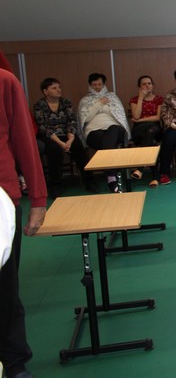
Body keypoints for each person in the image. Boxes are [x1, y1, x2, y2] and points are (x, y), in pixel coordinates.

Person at [0, 51, 47, 378]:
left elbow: (24, 141)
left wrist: (38, 198)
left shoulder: (5, 82)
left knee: (4, 290)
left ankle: (14, 362)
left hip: (1, 201)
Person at [33, 77, 93, 197]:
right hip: (50, 136)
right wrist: (61, 143)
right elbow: (43, 127)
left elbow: (71, 121)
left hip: (67, 134)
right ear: (45, 91)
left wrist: (70, 140)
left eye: (59, 87)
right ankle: (55, 185)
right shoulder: (39, 105)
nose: (58, 90)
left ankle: (90, 181)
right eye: (54, 88)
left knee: (78, 147)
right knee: (54, 150)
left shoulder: (66, 102)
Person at [77, 72, 131, 192]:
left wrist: (99, 109)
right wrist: (100, 104)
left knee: (112, 129)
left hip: (115, 129)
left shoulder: (112, 97)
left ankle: (110, 176)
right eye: (94, 84)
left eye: (99, 84)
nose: (97, 87)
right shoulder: (85, 100)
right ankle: (112, 175)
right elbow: (86, 118)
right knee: (106, 141)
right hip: (94, 132)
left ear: (104, 84)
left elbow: (117, 114)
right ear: (90, 85)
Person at [129, 75, 164, 187]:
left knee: (150, 132)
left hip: (155, 129)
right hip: (139, 130)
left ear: (153, 85)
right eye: (143, 84)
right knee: (150, 142)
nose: (147, 86)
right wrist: (141, 97)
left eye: (149, 83)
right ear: (139, 87)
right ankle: (155, 177)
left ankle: (140, 168)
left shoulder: (159, 99)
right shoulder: (134, 99)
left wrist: (140, 120)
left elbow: (157, 118)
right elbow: (136, 115)